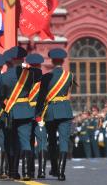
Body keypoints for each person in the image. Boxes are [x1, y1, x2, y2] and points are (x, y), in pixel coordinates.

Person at [36, 48, 74, 181]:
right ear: (63, 61)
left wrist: (38, 112)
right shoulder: (69, 76)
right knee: (63, 141)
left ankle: (54, 167)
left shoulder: (46, 76)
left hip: (51, 111)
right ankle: (61, 173)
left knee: (51, 140)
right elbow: (68, 93)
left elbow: (41, 97)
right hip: (65, 109)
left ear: (51, 61)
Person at [0, 46, 35, 180]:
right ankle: (26, 172)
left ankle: (13, 172)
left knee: (11, 142)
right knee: (25, 141)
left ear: (12, 59)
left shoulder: (5, 77)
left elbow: (1, 95)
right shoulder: (31, 74)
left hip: (10, 112)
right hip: (26, 110)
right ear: (22, 58)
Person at [26, 53, 47, 179]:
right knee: (42, 142)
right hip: (41, 113)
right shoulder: (46, 80)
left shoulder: (23, 80)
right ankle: (42, 171)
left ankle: (30, 170)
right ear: (39, 65)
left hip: (27, 113)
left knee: (28, 142)